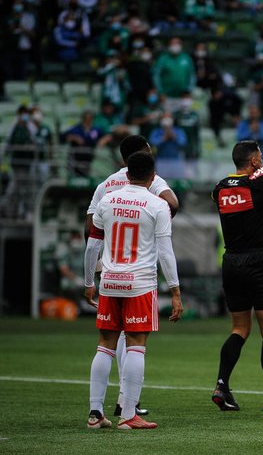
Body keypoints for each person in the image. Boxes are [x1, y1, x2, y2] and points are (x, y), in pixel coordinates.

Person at [210, 87, 263, 412]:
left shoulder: (220, 188)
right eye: (260, 156)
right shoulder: (256, 181)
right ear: (255, 160)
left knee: (239, 328)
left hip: (231, 262)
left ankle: (222, 385)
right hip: (258, 260)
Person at [83, 151, 183, 430]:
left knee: (105, 346)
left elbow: (93, 245)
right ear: (153, 177)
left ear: (126, 173)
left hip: (110, 281)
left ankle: (95, 413)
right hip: (139, 284)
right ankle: (128, 415)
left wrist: (89, 281)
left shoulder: (107, 199)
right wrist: (175, 291)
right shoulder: (157, 205)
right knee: (136, 346)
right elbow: (166, 252)